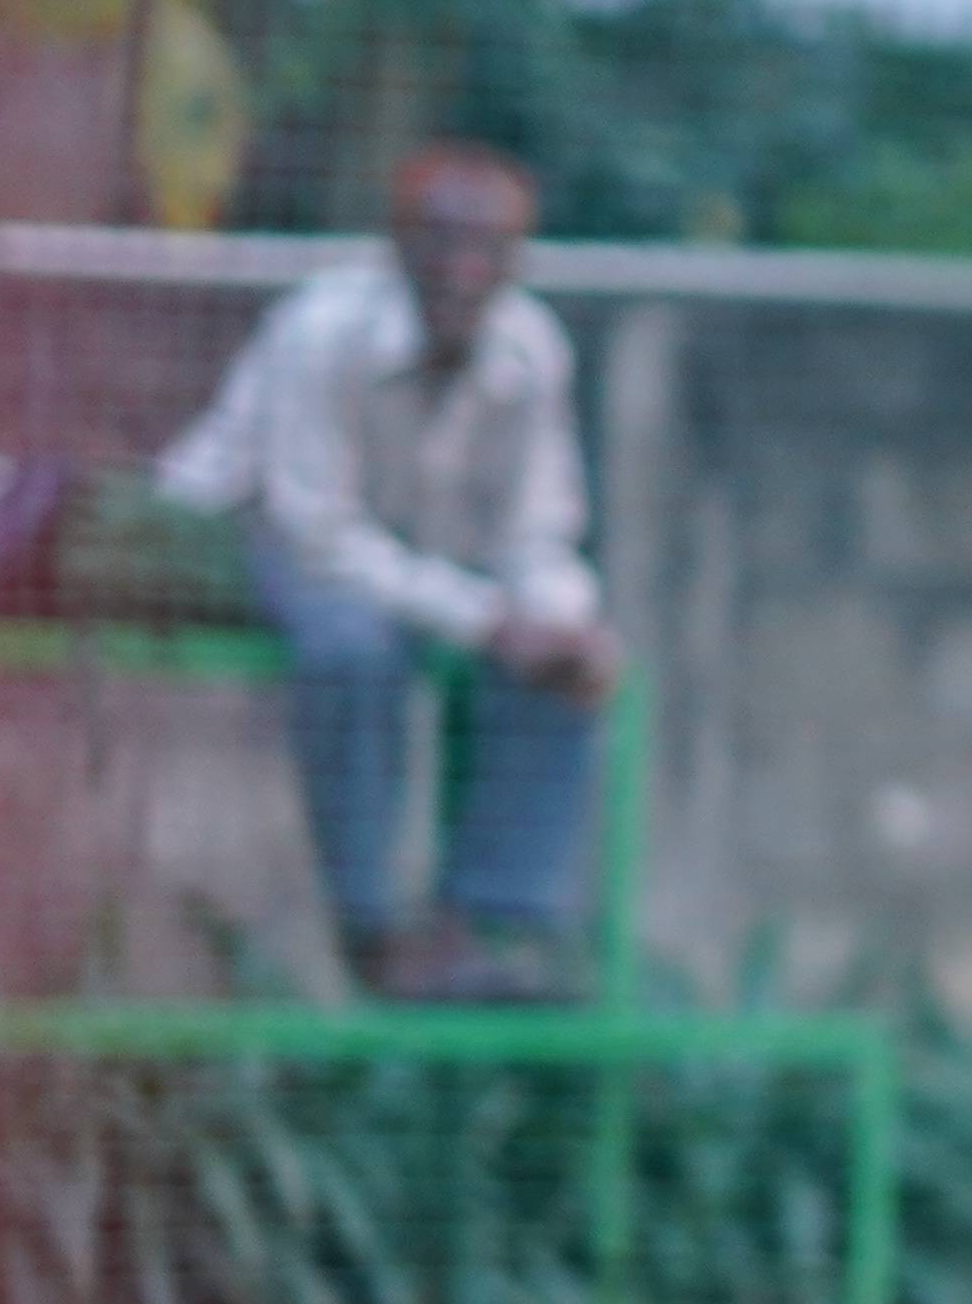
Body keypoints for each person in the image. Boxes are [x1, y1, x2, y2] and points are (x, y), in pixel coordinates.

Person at [154, 142, 622, 1001]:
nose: (464, 268)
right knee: (353, 648)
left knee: (562, 663)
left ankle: (483, 925)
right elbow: (314, 533)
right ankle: (370, 932)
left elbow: (538, 529)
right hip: (253, 537)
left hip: (412, 566)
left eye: (491, 247)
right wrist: (488, 620)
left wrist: (559, 621)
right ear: (399, 242)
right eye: (443, 240)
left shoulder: (532, 346)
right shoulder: (320, 328)